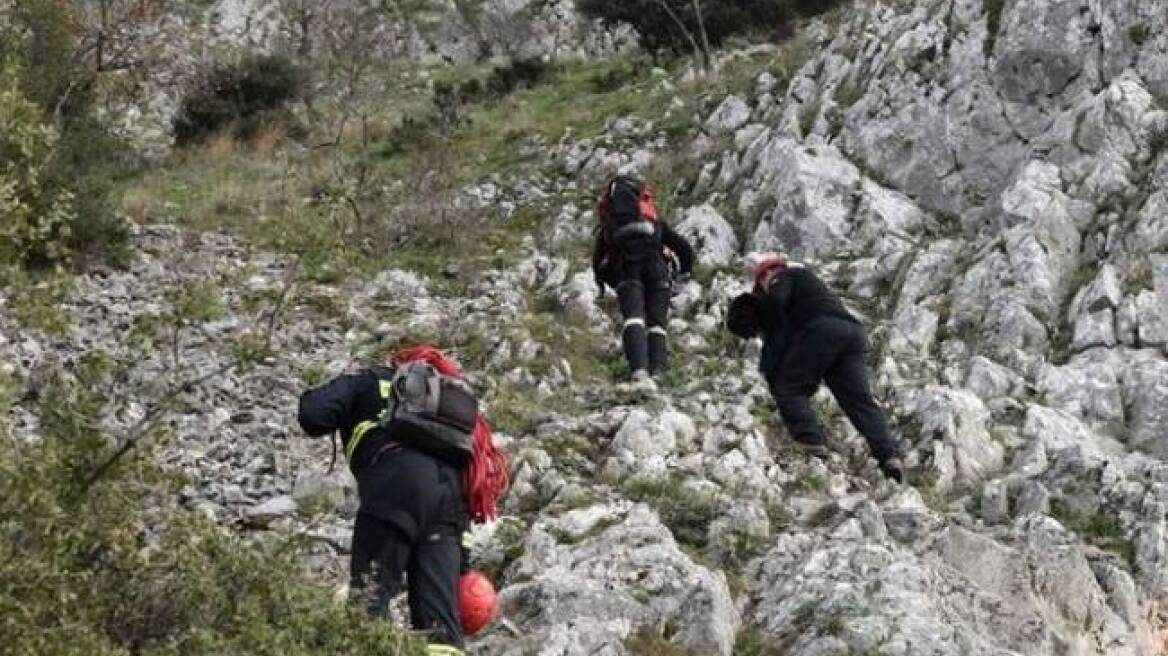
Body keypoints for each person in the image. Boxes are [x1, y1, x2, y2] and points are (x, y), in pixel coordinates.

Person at [297, 345, 509, 655]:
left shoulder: (368, 380)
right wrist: (460, 567)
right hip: (449, 500)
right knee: (440, 629)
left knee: (368, 602)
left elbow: (313, 415)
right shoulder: (445, 415)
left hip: (396, 486)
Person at [727, 254, 904, 483]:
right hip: (853, 335)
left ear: (767, 275)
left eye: (762, 284)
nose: (763, 290)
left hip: (823, 330)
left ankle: (811, 442)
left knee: (787, 387)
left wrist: (770, 362)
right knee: (859, 401)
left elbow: (777, 302)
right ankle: (888, 455)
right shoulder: (811, 291)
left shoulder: (784, 276)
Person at [592, 175, 695, 381]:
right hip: (657, 270)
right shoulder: (653, 220)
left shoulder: (610, 224)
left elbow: (598, 263)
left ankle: (639, 371)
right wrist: (684, 275)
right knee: (657, 323)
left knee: (633, 318)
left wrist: (607, 285)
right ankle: (658, 371)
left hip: (627, 272)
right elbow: (684, 249)